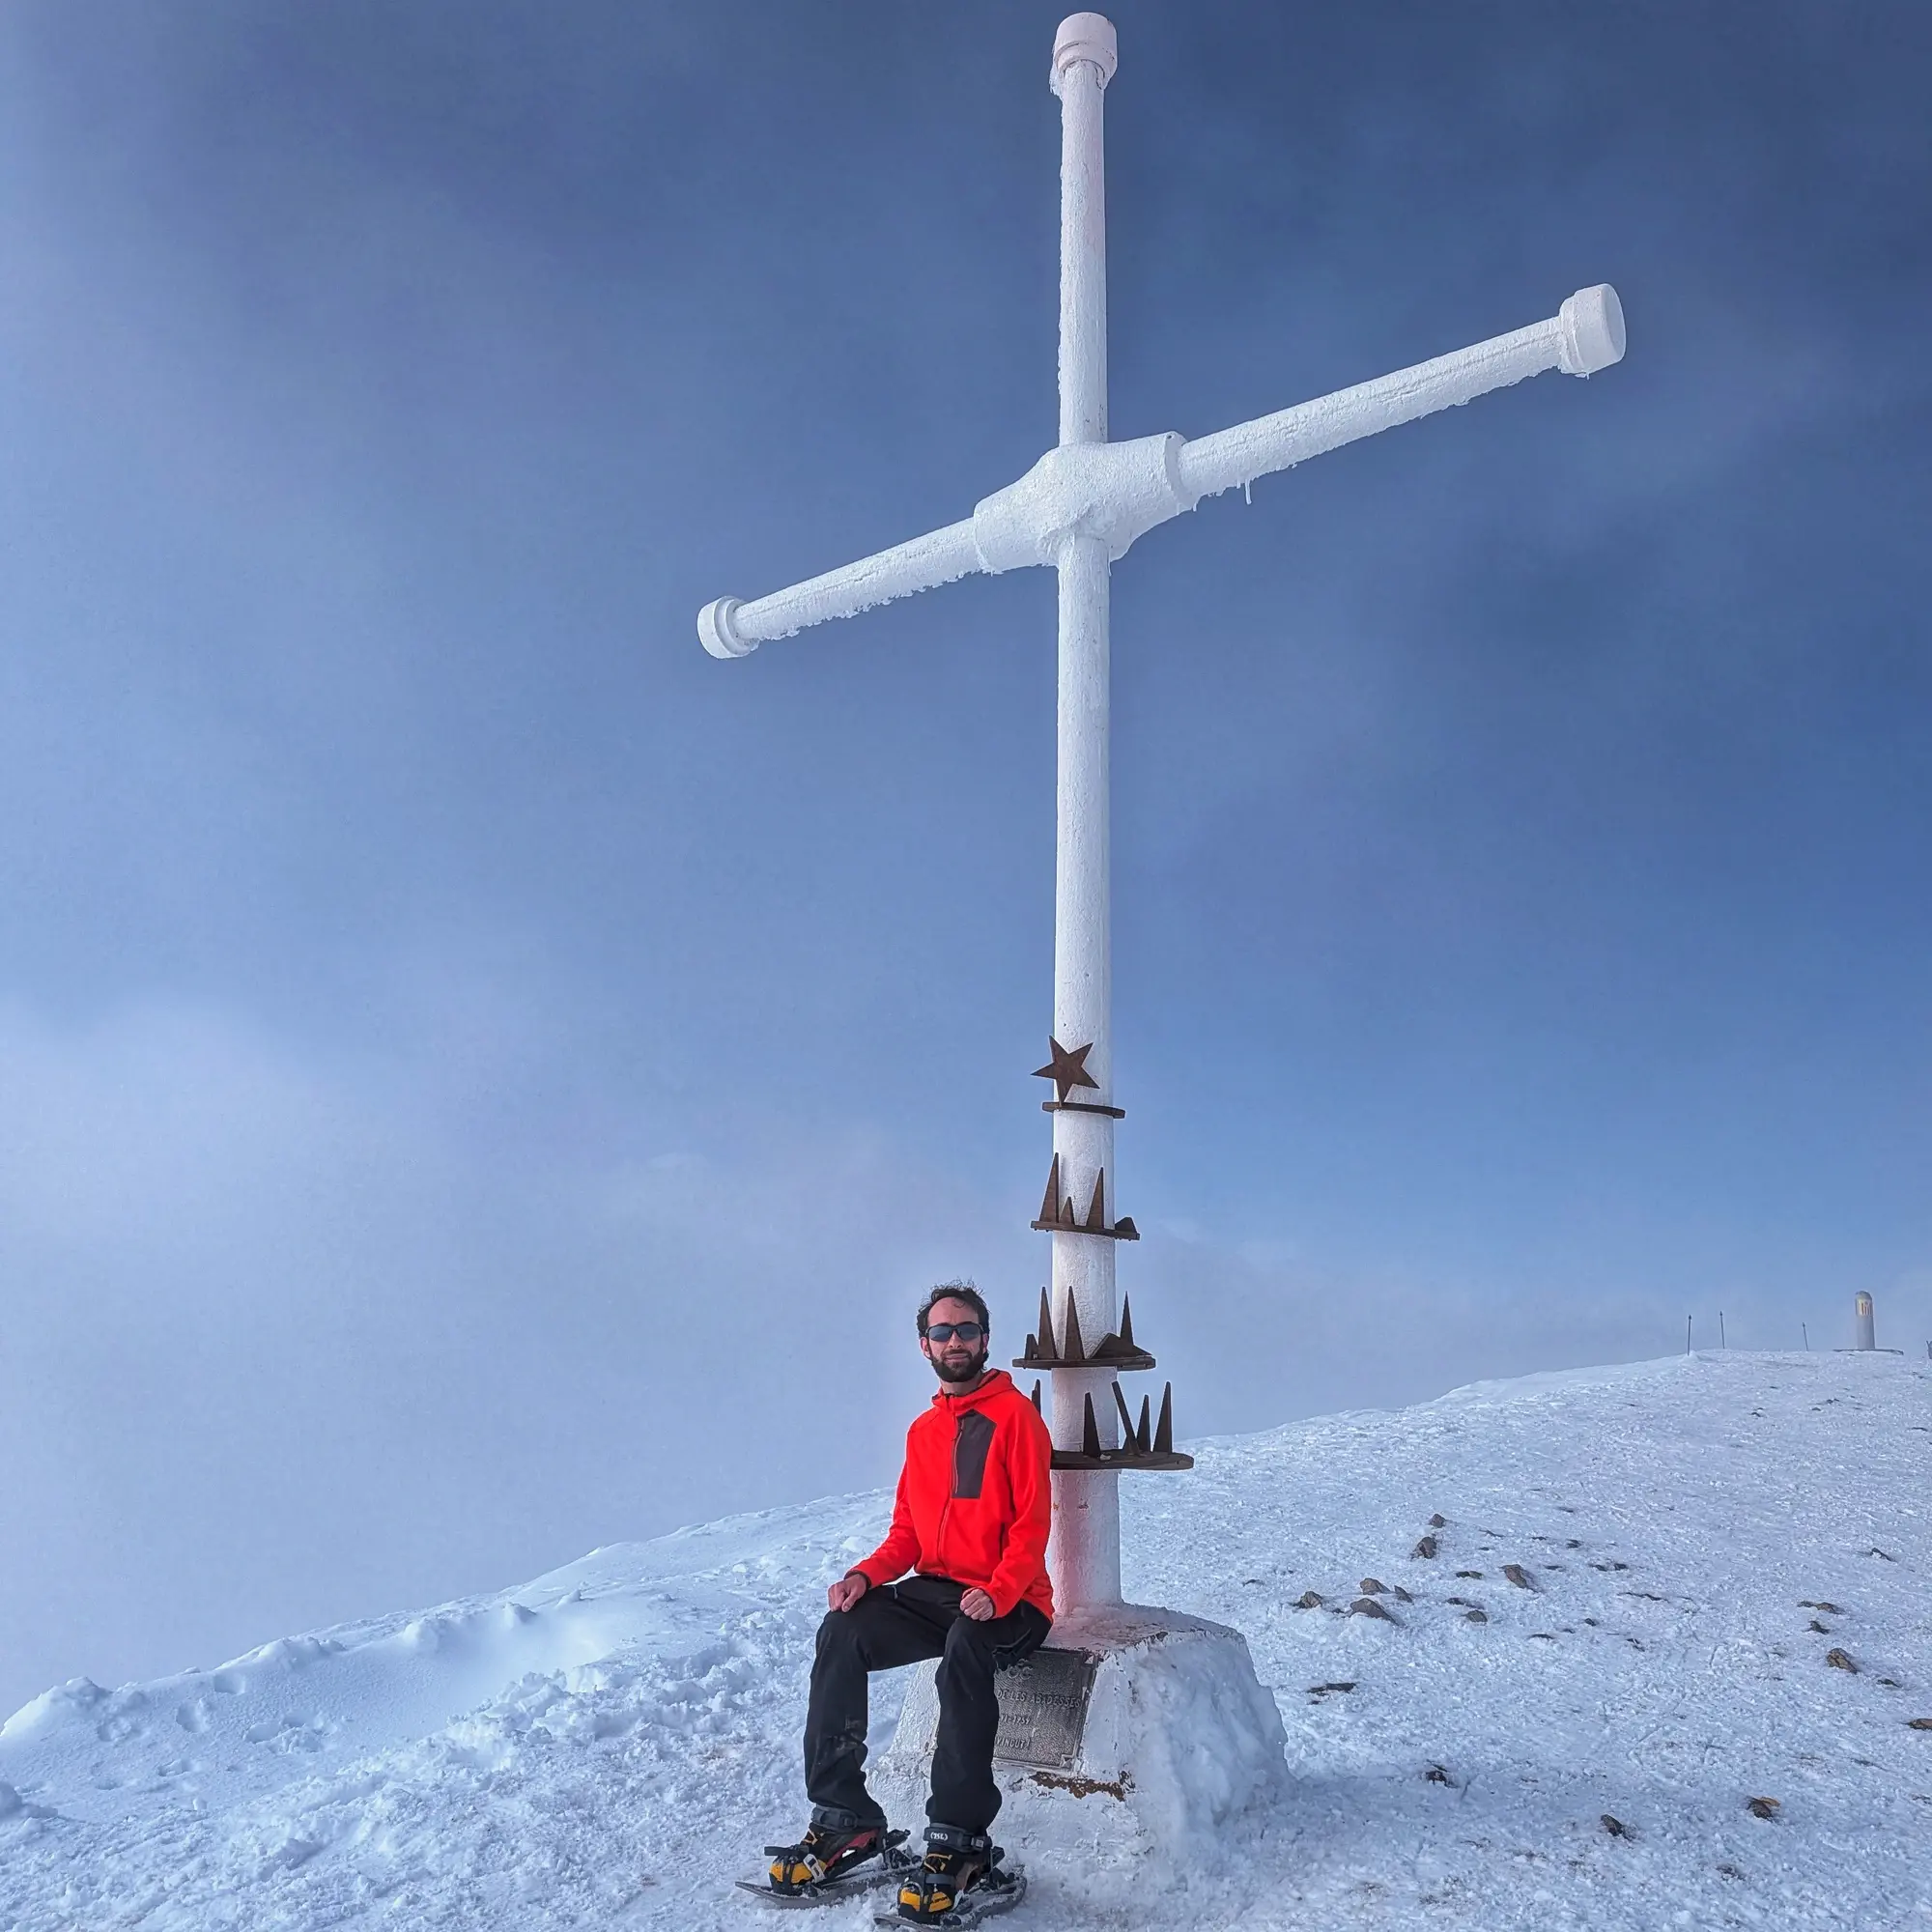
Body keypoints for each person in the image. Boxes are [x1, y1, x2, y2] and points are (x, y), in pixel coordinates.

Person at [765, 1281, 1054, 1919]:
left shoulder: (1018, 1419)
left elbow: (1033, 1528)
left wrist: (1000, 1592)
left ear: (986, 1339)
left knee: (967, 1644)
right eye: (943, 1332)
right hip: (937, 1593)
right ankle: (847, 1819)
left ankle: (961, 1843)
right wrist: (865, 1577)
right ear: (924, 1344)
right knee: (842, 1630)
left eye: (968, 1329)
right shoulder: (923, 1432)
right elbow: (907, 1534)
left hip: (1013, 1602)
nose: (956, 1341)